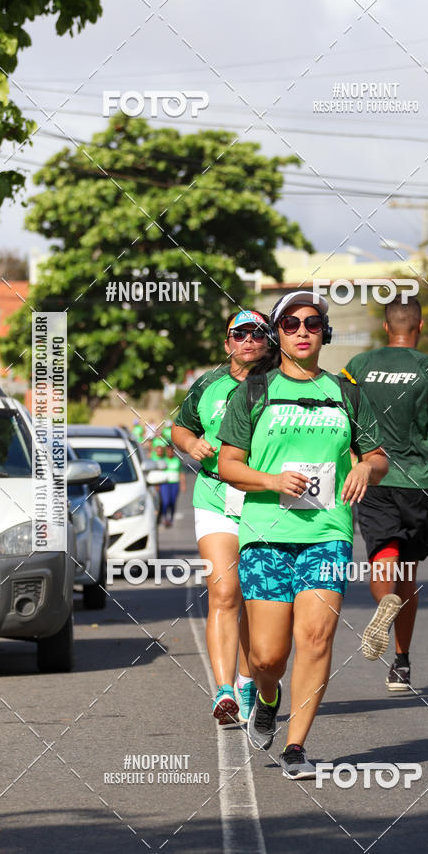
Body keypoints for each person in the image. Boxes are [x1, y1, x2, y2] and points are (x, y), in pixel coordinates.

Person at [218, 292, 387, 779]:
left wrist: (365, 472)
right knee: (268, 655)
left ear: (324, 332)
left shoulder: (347, 393)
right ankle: (267, 695)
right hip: (265, 533)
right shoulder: (253, 393)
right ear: (279, 333)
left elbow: (378, 456)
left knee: (315, 637)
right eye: (290, 323)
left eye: (312, 323)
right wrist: (271, 481)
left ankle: (297, 747)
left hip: (328, 532)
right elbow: (228, 464)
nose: (302, 331)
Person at [342, 294, 428, 692]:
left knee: (381, 556)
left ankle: (382, 605)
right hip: (419, 480)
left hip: (373, 476)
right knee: (408, 571)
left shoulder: (359, 365)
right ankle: (401, 664)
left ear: (387, 327)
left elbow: (341, 412)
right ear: (419, 327)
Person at [172, 310, 270, 725]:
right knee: (225, 591)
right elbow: (178, 427)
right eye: (240, 334)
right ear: (228, 342)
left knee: (255, 597)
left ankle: (249, 681)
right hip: (214, 495)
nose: (249, 340)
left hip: (264, 500)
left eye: (258, 333)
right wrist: (191, 443)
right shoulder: (209, 384)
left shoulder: (279, 383)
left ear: (270, 341)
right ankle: (225, 690)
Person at [159, 444, 186, 527]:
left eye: (171, 451)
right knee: (165, 502)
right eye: (168, 451)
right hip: (164, 484)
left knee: (172, 502)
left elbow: (181, 473)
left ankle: (171, 519)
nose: (169, 452)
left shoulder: (177, 461)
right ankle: (164, 518)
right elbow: (158, 473)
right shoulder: (163, 460)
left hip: (175, 483)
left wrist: (183, 484)